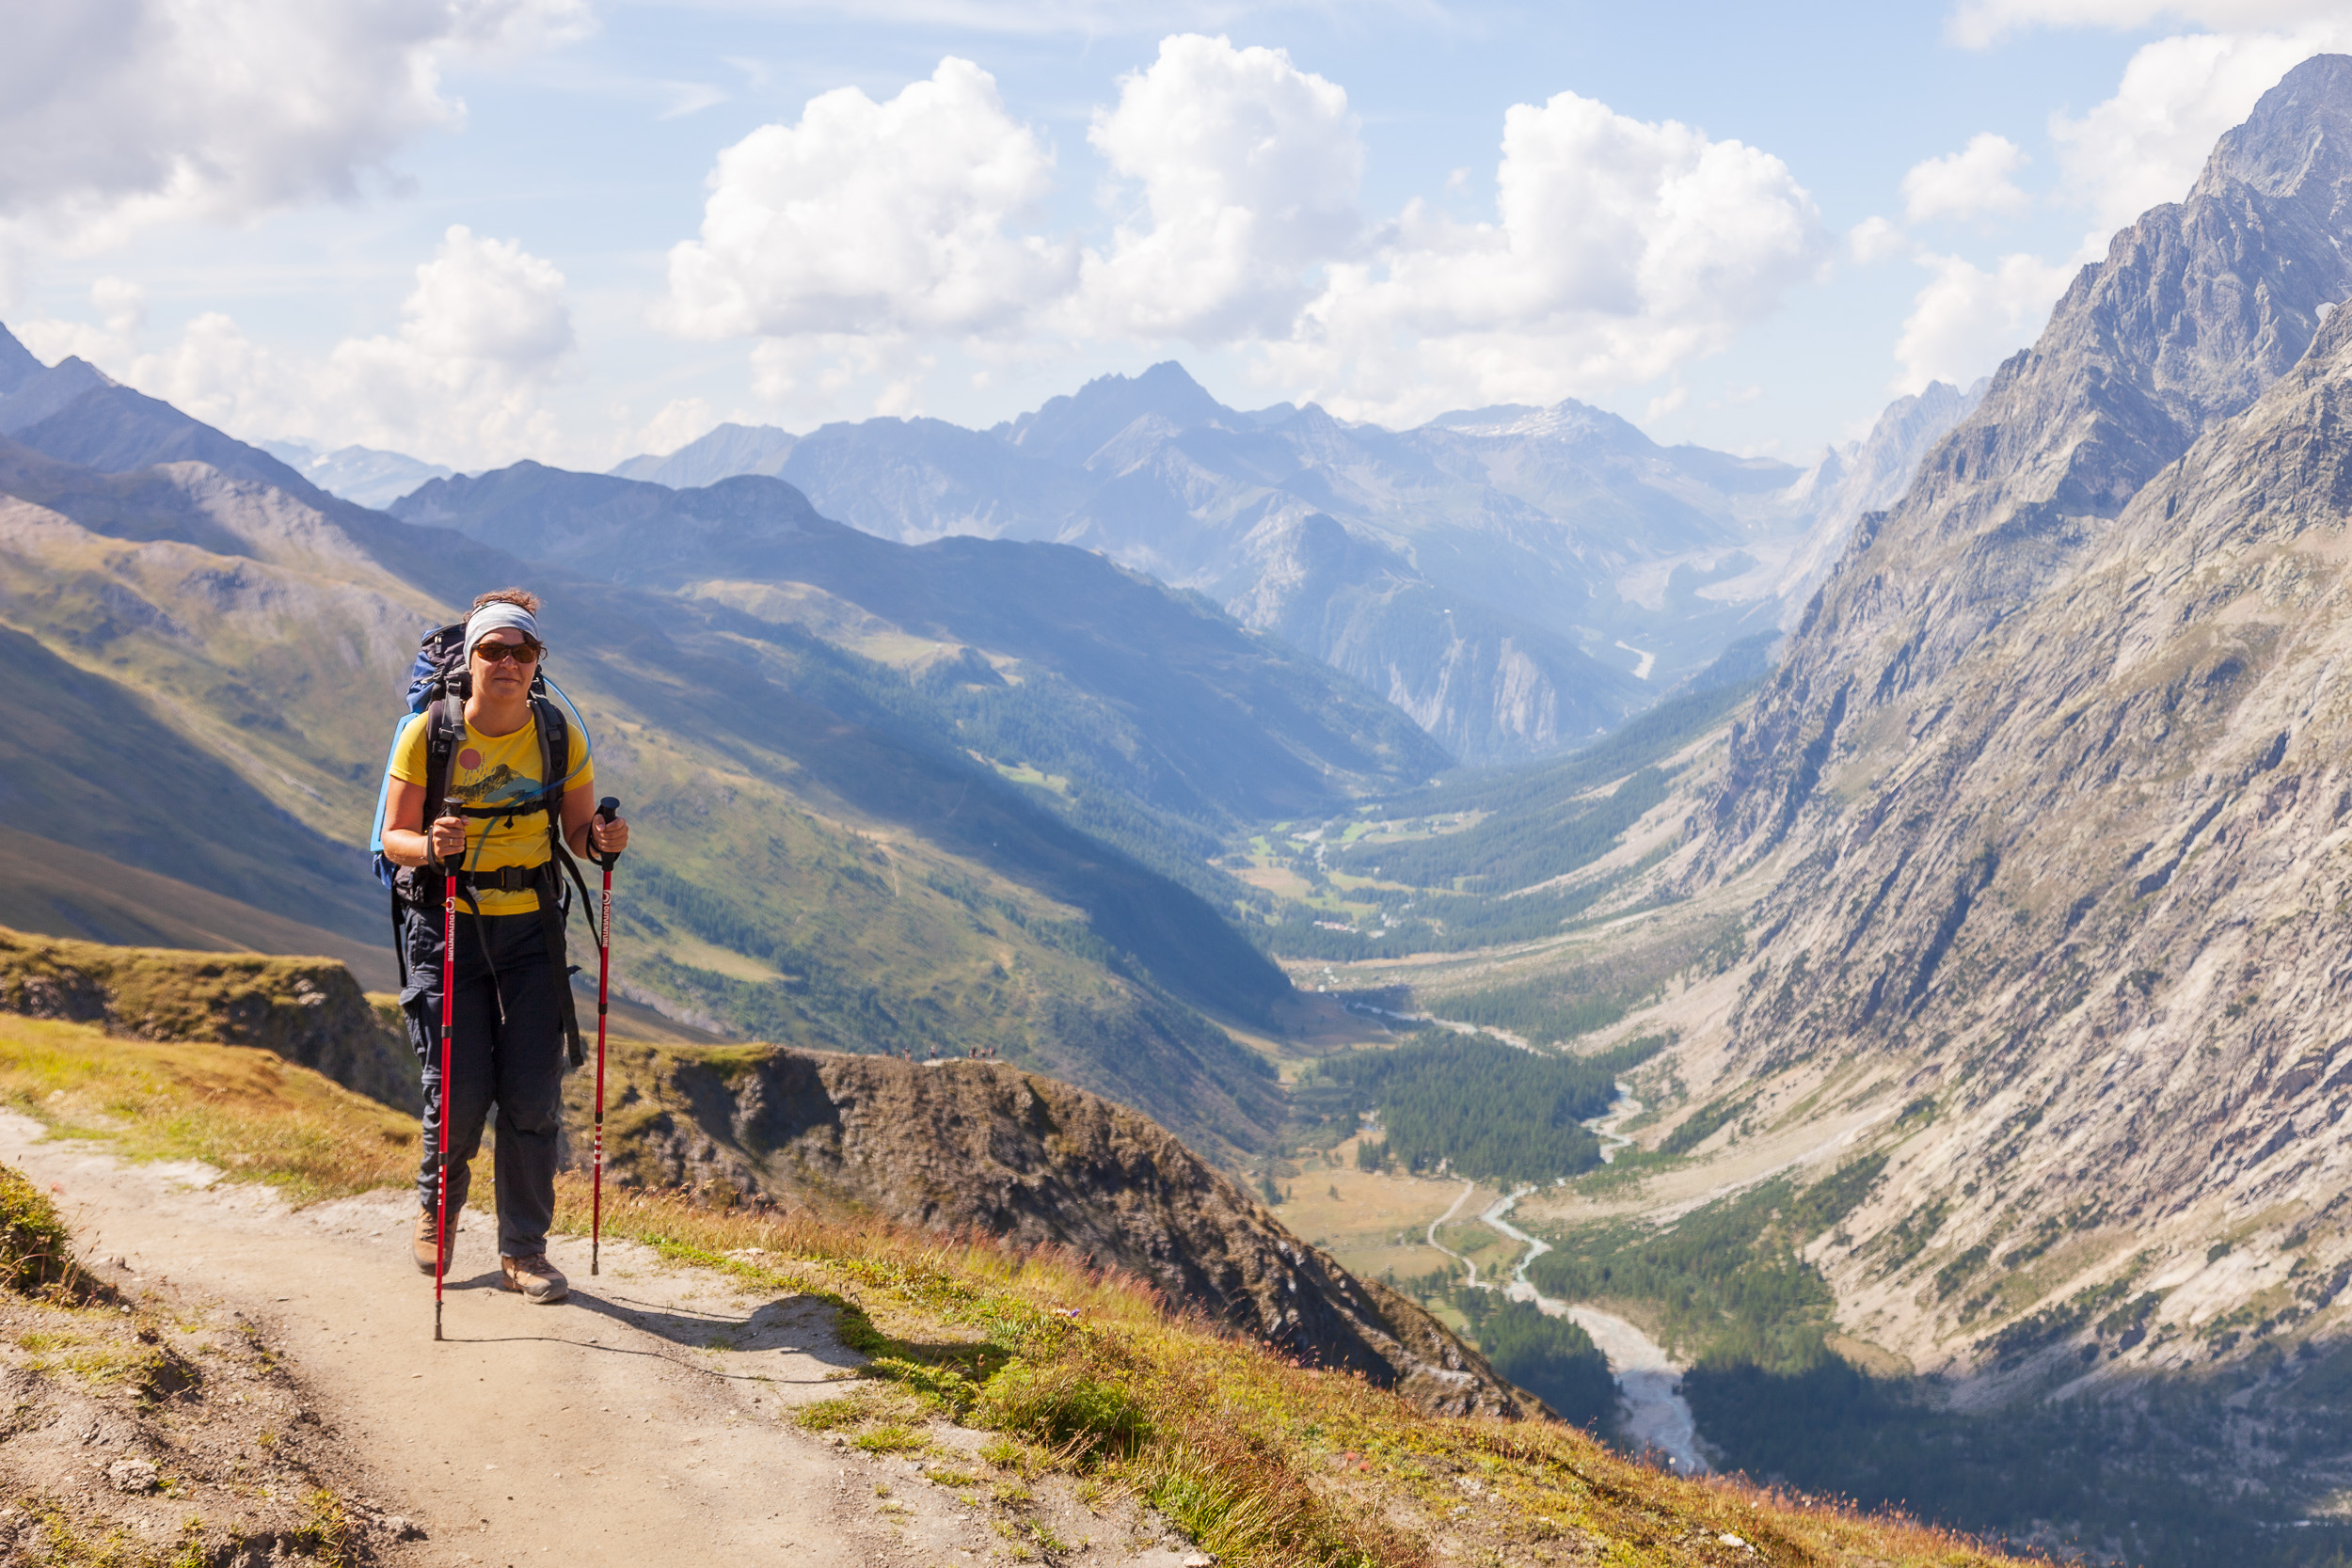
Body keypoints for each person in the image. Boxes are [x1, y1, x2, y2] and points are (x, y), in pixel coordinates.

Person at [379, 590, 629, 1305]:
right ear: (471, 657)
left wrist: (605, 841)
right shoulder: (429, 733)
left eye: (524, 652)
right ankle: (438, 1211)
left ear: (537, 661)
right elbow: (394, 835)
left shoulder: (557, 732)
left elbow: (580, 834)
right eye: (494, 650)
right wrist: (430, 845)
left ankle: (525, 1250)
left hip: (532, 935)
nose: (510, 663)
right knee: (458, 1092)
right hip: (447, 923)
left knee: (530, 1097)